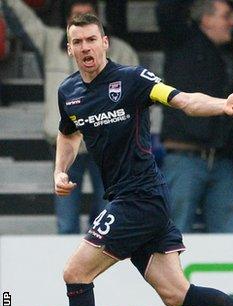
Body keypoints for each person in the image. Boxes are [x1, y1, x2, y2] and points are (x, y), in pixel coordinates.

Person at [56, 13, 233, 306]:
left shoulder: (132, 80)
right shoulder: (68, 92)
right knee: (176, 294)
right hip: (133, 201)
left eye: (92, 40)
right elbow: (68, 133)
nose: (86, 47)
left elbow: (184, 100)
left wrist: (223, 105)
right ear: (69, 48)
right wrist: (60, 170)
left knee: (75, 273)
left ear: (105, 43)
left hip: (139, 198)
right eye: (78, 42)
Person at [1, 0, 139, 234]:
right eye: (76, 16)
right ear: (67, 23)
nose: (82, 22)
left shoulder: (122, 51)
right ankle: (73, 270)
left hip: (107, 147)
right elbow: (24, 19)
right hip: (64, 144)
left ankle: (97, 264)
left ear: (98, 21)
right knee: (66, 223)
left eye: (87, 16)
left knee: (108, 218)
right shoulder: (51, 42)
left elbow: (136, 99)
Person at [157, 0, 233, 233]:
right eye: (226, 16)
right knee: (174, 235)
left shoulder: (230, 53)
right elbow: (167, 9)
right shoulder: (181, 40)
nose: (232, 22)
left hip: (222, 159)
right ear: (206, 19)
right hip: (185, 158)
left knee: (227, 235)